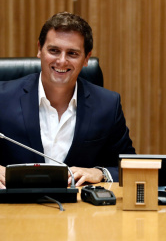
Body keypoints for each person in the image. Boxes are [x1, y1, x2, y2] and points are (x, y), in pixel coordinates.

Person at [0, 12, 135, 189]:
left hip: (80, 212)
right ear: (40, 49)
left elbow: (130, 165)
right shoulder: (3, 97)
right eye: (54, 50)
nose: (62, 61)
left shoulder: (108, 105)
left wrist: (101, 173)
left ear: (86, 58)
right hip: (14, 210)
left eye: (72, 53)